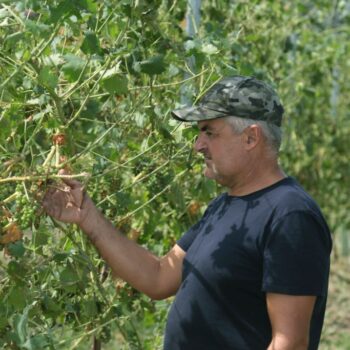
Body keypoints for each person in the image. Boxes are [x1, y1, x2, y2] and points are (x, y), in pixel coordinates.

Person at [43, 75, 332, 350]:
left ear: (251, 138)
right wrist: (87, 215)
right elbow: (158, 277)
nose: (198, 145)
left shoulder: (290, 215)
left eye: (209, 132)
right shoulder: (224, 207)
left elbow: (290, 342)